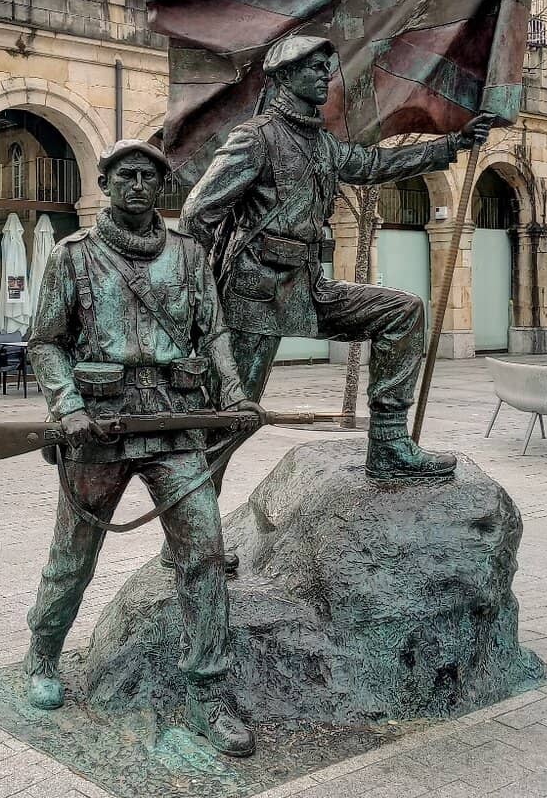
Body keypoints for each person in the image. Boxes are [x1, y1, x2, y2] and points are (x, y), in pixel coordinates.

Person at [25, 139, 256, 757]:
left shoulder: (188, 255)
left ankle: (209, 690)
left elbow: (214, 331)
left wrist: (235, 394)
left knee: (204, 552)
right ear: (105, 184)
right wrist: (68, 407)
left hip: (175, 423)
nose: (137, 185)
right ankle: (43, 652)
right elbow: (45, 341)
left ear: (161, 188)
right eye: (125, 175)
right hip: (100, 427)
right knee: (74, 554)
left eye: (149, 177)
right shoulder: (73, 256)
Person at [180, 32, 494, 485]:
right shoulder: (256, 138)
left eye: (327, 68)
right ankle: (191, 523)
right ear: (284, 76)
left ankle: (389, 444)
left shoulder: (322, 144)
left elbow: (374, 165)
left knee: (403, 312)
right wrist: (200, 297)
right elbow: (197, 214)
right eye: (314, 68)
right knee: (230, 421)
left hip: (310, 287)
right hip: (254, 297)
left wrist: (451, 145)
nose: (325, 76)